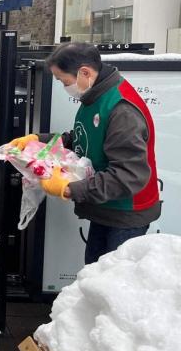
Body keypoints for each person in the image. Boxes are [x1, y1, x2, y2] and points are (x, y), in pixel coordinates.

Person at [10, 42, 161, 264]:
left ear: (85, 72)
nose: (64, 87)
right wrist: (38, 141)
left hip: (126, 213)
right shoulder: (95, 96)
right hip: (106, 206)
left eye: (64, 81)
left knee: (111, 285)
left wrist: (70, 189)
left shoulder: (121, 111)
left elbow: (128, 175)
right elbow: (81, 139)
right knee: (93, 276)